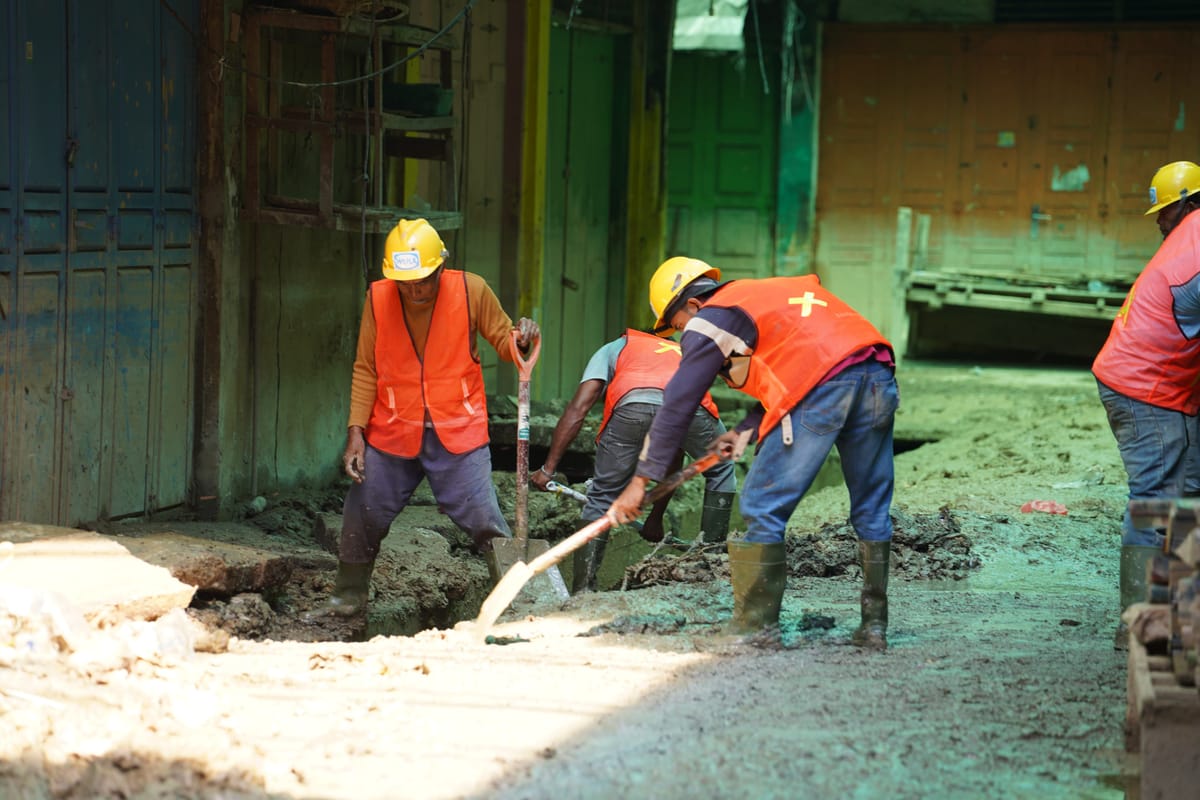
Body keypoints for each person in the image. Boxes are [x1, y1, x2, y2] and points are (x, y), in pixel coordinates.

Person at [606, 258, 899, 649]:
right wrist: (745, 429)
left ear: (691, 306)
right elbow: (809, 363)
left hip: (823, 388)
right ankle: (874, 626)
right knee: (872, 506)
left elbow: (678, 400)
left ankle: (756, 628)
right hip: (877, 376)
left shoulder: (710, 319)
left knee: (762, 503)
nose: (682, 336)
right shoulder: (768, 297)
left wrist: (640, 480)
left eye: (676, 326)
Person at [306, 218, 540, 620]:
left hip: (458, 429)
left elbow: (505, 339)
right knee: (363, 510)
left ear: (440, 268)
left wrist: (520, 338)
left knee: (483, 516)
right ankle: (348, 596)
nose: (414, 290)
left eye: (423, 281)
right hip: (393, 430)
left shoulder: (471, 290)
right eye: (405, 283)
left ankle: (517, 601)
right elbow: (366, 367)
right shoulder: (378, 298)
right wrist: (356, 433)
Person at [531, 328, 737, 593]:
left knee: (603, 494)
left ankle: (583, 591)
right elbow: (673, 454)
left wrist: (548, 470)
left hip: (631, 406)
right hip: (689, 407)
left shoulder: (617, 346)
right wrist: (656, 517)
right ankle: (712, 566)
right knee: (721, 468)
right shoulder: (684, 353)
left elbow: (579, 407)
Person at [1092, 160, 1200, 647]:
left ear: (1187, 204)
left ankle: (1178, 614)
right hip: (1145, 388)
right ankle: (1138, 627)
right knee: (1157, 500)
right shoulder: (1194, 256)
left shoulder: (1189, 243)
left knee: (1186, 494)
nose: (1158, 220)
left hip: (1153, 383)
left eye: (1164, 210)